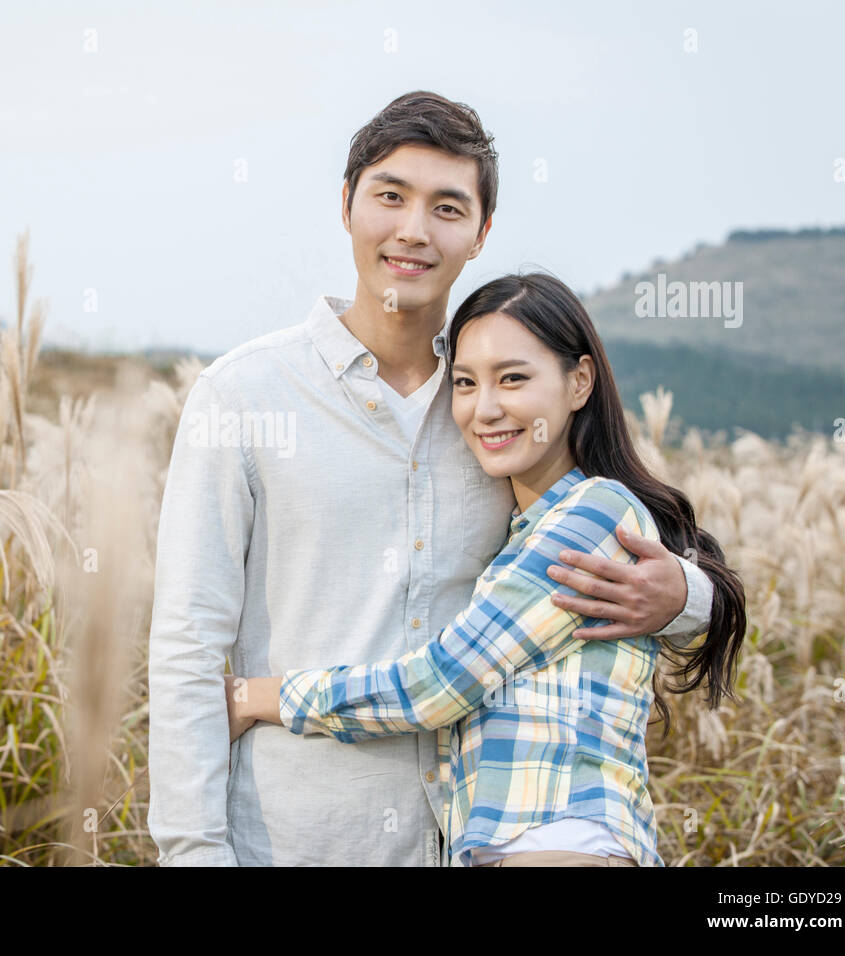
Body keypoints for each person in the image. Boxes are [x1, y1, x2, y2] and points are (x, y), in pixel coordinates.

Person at [148, 91, 725, 867]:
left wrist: (684, 596)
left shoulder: (500, 417)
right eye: (390, 195)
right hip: (293, 843)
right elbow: (188, 647)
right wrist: (193, 853)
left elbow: (641, 554)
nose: (414, 230)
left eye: (447, 207)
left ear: (481, 232)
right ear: (347, 204)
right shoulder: (243, 397)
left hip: (467, 846)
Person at [225, 272, 746, 866]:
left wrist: (259, 695)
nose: (486, 408)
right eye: (466, 383)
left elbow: (437, 686)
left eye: (514, 379)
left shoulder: (593, 514)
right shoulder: (522, 533)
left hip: (562, 843)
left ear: (579, 382)